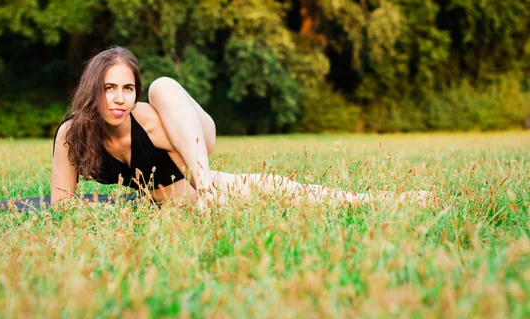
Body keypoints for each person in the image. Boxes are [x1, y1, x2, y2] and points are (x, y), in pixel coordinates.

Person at [51, 46, 426, 208]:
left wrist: (205, 188)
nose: (119, 99)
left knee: (165, 86)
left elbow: (197, 150)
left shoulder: (147, 119)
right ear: (92, 90)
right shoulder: (72, 134)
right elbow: (61, 205)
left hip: (199, 157)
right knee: (289, 192)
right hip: (184, 196)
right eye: (108, 88)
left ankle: (389, 200)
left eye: (128, 88)